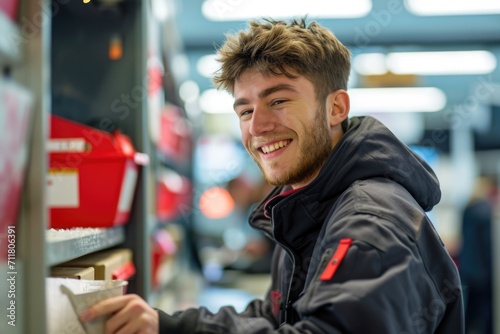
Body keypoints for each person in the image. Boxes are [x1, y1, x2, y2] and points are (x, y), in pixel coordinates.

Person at [79, 18, 464, 333]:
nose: (258, 126)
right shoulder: (303, 206)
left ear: (336, 108)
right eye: (245, 111)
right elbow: (274, 317)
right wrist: (166, 327)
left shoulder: (370, 222)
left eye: (279, 101)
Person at [459, 176, 496, 334]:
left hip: (468, 269)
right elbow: (488, 247)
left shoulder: (467, 209)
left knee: (469, 312)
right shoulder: (486, 212)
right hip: (484, 273)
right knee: (488, 314)